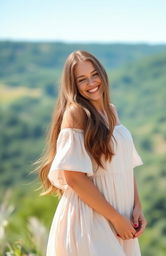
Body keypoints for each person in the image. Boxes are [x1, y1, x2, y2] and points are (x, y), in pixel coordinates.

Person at [37, 50, 147, 255]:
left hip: (122, 215)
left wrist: (136, 207)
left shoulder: (111, 111)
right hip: (90, 218)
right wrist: (115, 218)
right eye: (82, 79)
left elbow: (124, 165)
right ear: (73, 86)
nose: (92, 82)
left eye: (95, 74)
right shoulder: (76, 113)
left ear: (102, 75)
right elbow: (73, 178)